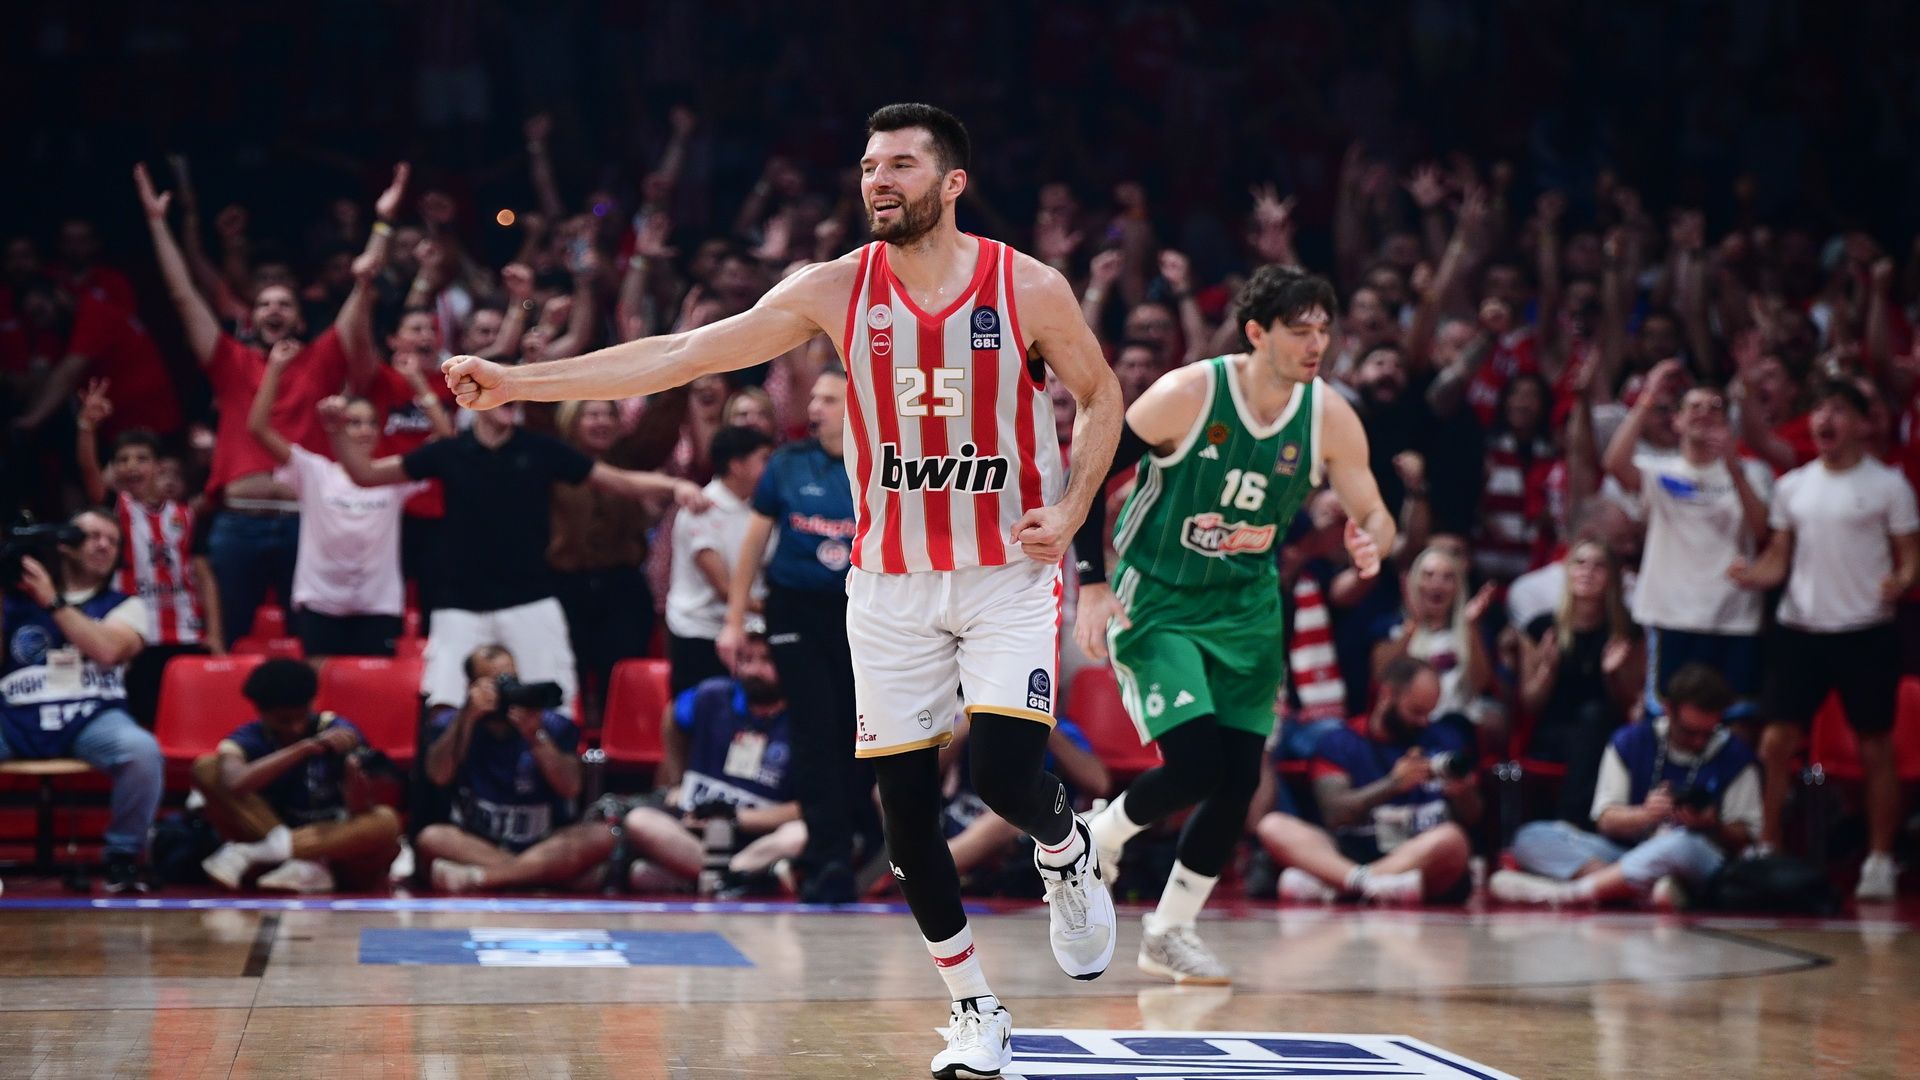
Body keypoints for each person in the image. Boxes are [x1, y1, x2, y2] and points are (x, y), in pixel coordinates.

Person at [443, 103, 1125, 1079]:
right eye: (870, 165)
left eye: (901, 165)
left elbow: (1100, 398)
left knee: (1005, 778)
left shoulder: (1027, 286)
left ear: (952, 183)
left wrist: (1070, 510)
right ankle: (975, 1007)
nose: (878, 180)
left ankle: (1065, 850)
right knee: (899, 809)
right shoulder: (835, 287)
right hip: (889, 583)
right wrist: (521, 383)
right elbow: (680, 354)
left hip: (1005, 568)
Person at [1070, 265, 1395, 985]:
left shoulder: (1328, 414)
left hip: (1248, 610)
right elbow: (1088, 474)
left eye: (1324, 330)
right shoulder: (1189, 393)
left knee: (1239, 777)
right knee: (1196, 764)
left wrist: (1373, 538)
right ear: (1256, 333)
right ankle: (1098, 836)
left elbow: (1375, 509)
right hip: (1160, 599)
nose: (1316, 345)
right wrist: (1090, 583)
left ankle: (1170, 931)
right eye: (1299, 331)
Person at [134, 164, 401, 642]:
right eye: (263, 304)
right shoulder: (229, 361)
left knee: (311, 640)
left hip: (306, 524)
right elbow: (183, 295)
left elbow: (362, 291)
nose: (273, 310)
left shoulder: (322, 358)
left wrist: (381, 225)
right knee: (226, 639)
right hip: (239, 522)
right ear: (252, 318)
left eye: (284, 304)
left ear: (299, 319)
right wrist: (157, 224)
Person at [334, 395, 707, 714]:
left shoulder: (541, 450)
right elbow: (366, 474)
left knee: (556, 704)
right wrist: (336, 431)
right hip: (459, 605)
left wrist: (676, 486)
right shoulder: (448, 452)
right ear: (475, 401)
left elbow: (619, 481)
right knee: (443, 706)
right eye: (497, 388)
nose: (508, 397)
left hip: (530, 600)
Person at [1730, 382, 1919, 900]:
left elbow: (1910, 556)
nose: (1824, 418)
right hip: (1800, 630)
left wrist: (1902, 581)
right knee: (1775, 742)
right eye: (1818, 408)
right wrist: (1753, 576)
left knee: (1875, 747)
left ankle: (1879, 859)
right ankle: (1768, 845)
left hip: (1865, 630)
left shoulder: (1889, 486)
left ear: (1861, 423)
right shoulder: (1792, 486)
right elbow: (1778, 559)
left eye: (1837, 409)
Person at [714, 370, 863, 901]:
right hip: (795, 610)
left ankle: (854, 842)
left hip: (860, 611)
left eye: (829, 399)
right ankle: (825, 857)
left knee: (856, 733)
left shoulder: (881, 463)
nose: (816, 407)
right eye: (814, 397)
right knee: (813, 729)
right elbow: (754, 544)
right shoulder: (787, 463)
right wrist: (734, 620)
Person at [1493, 664, 1758, 908]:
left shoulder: (1736, 756)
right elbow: (1606, 819)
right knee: (1532, 836)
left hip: (1696, 857)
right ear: (1668, 710)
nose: (1699, 742)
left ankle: (1570, 894)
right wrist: (1645, 814)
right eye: (1689, 732)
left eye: (1707, 733)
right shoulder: (1631, 741)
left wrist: (1711, 824)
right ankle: (1638, 888)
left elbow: (1747, 835)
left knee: (1681, 845)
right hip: (1627, 852)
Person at [249, 347, 449, 663]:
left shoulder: (392, 475)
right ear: (338, 426)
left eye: (371, 423)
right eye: (354, 422)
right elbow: (258, 429)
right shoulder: (314, 471)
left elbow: (446, 440)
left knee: (373, 691)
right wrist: (274, 369)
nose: (364, 430)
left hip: (377, 608)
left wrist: (417, 382)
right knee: (319, 689)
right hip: (321, 603)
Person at [0, 510, 160, 892]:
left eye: (113, 541)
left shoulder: (126, 605)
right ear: (65, 545)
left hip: (91, 715)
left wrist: (52, 601)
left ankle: (121, 857)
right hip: (16, 716)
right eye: (93, 536)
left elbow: (107, 650)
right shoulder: (14, 601)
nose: (104, 545)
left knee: (141, 751)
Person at [1604, 360, 1771, 715]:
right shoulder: (1660, 472)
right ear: (1676, 421)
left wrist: (1733, 469)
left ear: (1727, 422)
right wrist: (1647, 398)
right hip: (1671, 615)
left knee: (1734, 719)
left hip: (1733, 615)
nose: (1704, 413)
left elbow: (1760, 530)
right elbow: (1615, 464)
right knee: (1669, 717)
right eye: (1694, 406)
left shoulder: (1753, 472)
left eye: (1715, 407)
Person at [1256, 657, 1480, 905]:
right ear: (1387, 695)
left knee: (1452, 839)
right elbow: (1334, 813)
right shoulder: (1340, 742)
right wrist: (1392, 785)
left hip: (1418, 857)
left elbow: (1473, 816)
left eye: (1429, 713)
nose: (1423, 722)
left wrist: (1464, 792)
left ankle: (1344, 886)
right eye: (1416, 712)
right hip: (1352, 852)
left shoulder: (1444, 740)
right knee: (1273, 826)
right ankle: (1371, 885)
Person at [74, 379, 220, 725]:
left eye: (141, 459)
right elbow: (89, 471)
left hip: (184, 632)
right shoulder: (115, 509)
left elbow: (204, 577)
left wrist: (215, 634)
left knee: (185, 722)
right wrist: (87, 426)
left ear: (159, 466)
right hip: (133, 633)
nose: (131, 466)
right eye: (122, 460)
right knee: (140, 719)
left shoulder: (185, 515)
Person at [418, 646, 616, 893]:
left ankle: (484, 878)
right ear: (472, 687)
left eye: (511, 679)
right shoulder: (451, 724)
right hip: (479, 843)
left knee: (602, 835)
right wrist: (467, 716)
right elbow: (439, 775)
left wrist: (535, 736)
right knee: (432, 838)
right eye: (496, 682)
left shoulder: (551, 725)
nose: (506, 690)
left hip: (543, 842)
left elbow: (571, 787)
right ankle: (546, 875)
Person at [195, 659, 404, 892]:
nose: (295, 727)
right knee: (207, 767)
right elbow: (234, 783)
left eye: (301, 716)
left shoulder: (338, 729)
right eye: (284, 720)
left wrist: (356, 782)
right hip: (274, 853)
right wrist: (304, 748)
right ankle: (293, 860)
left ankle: (254, 853)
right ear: (261, 712)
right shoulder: (248, 738)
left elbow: (363, 806)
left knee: (386, 821)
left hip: (337, 850)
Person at [620, 632, 805, 893]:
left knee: (800, 834)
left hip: (758, 835)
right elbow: (672, 715)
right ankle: (745, 878)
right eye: (746, 660)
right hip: (695, 833)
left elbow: (804, 808)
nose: (753, 670)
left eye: (766, 661)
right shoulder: (712, 695)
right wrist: (677, 781)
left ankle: (715, 878)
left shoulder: (805, 718)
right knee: (639, 821)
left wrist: (737, 819)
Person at [1517, 539, 1645, 823]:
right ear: (1568, 571)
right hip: (1554, 731)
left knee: (1595, 717)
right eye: (1580, 563)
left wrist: (1612, 674)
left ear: (1612, 577)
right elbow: (1530, 704)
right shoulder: (1541, 628)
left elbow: (1629, 704)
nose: (1588, 572)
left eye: (1599, 566)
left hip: (1606, 732)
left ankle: (1568, 820)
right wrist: (1547, 669)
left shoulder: (1627, 632)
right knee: (1585, 730)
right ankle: (1574, 821)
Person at [667, 425, 775, 701]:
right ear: (737, 466)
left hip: (749, 629)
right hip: (699, 632)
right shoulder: (701, 509)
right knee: (695, 712)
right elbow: (725, 588)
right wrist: (777, 608)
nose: (772, 468)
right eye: (764, 459)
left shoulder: (761, 508)